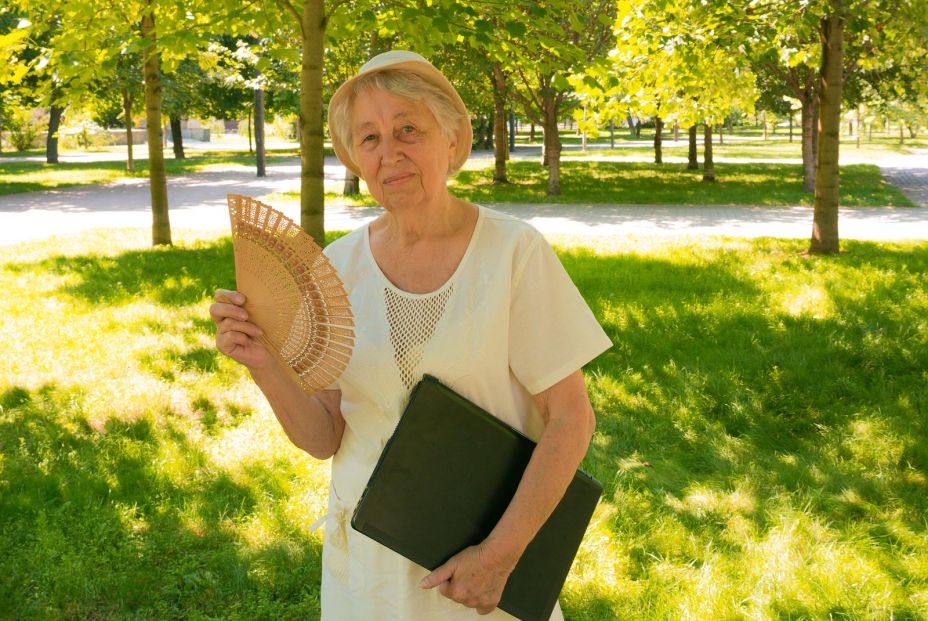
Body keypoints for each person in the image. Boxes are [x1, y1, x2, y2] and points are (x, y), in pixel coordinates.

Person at [210, 50, 612, 620]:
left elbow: (571, 419)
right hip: (366, 570)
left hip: (477, 566)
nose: (389, 153)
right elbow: (325, 436)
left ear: (450, 141)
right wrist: (263, 363)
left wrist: (498, 557)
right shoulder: (338, 267)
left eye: (408, 129)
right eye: (369, 138)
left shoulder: (513, 253)